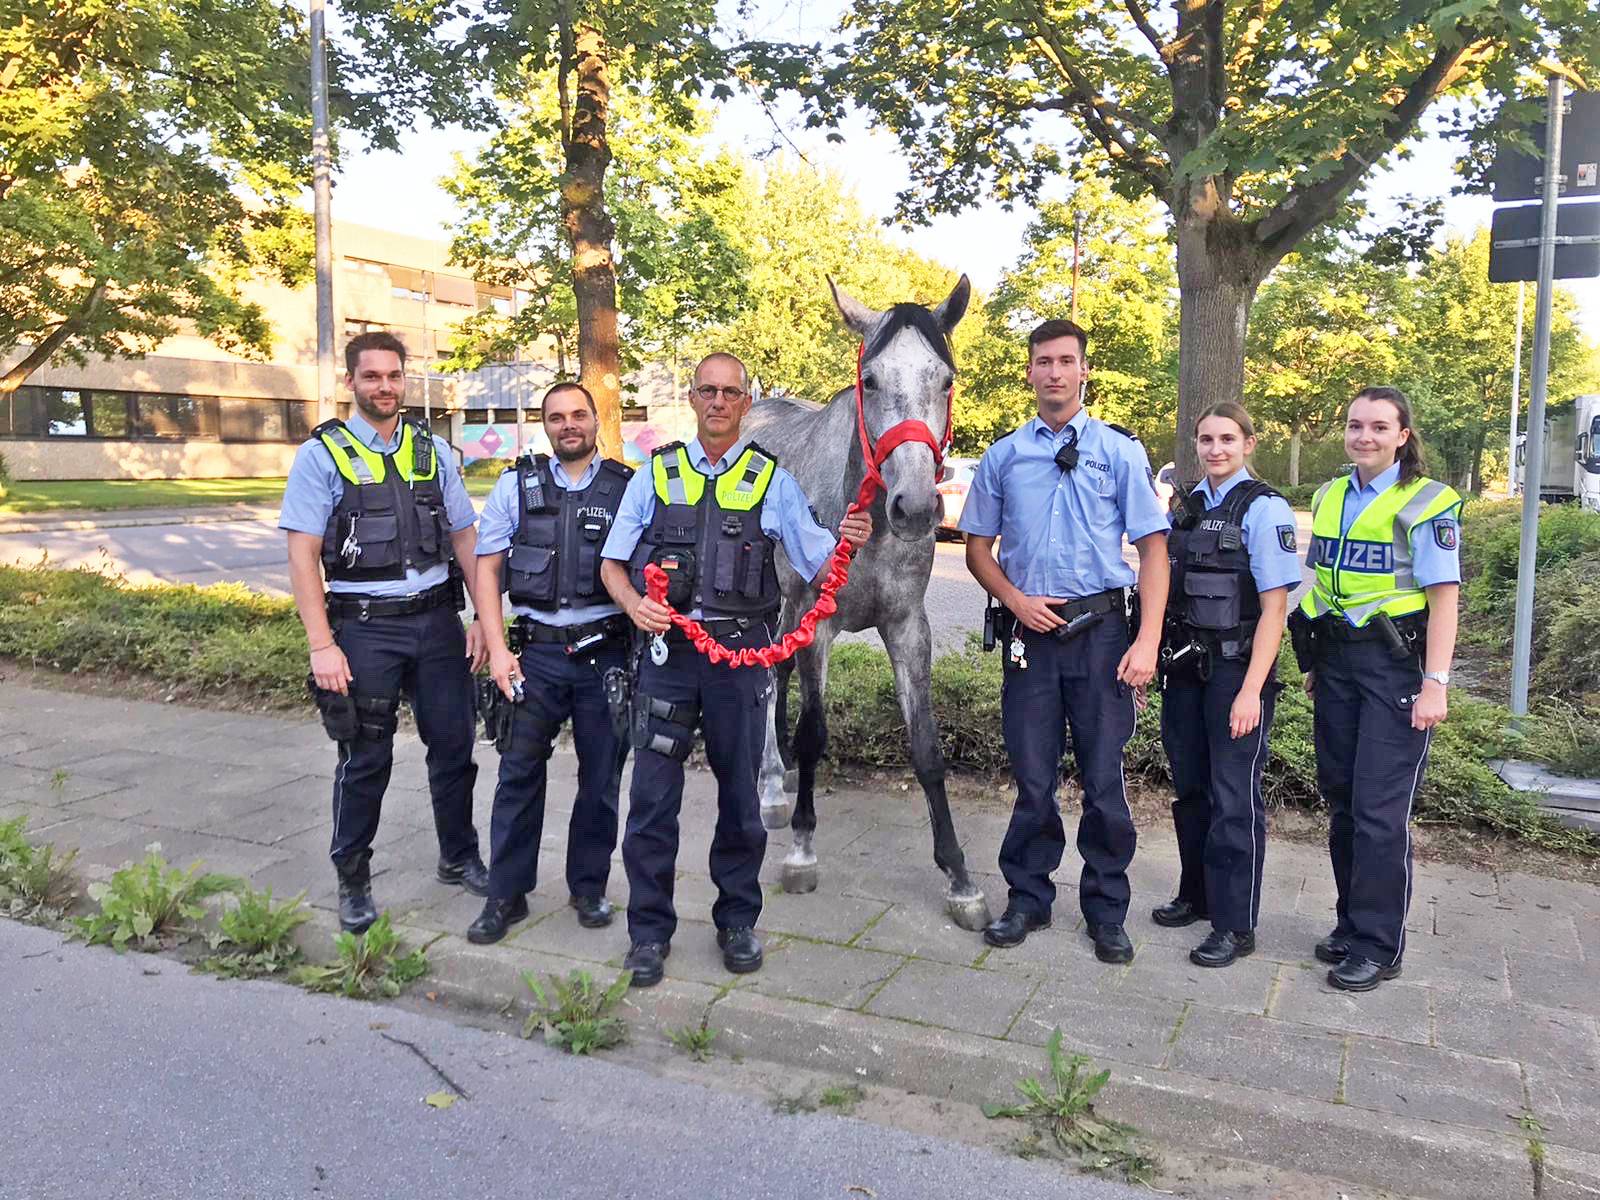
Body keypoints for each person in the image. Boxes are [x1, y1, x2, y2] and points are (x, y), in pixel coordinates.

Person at [599, 352, 873, 988]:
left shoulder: (770, 481)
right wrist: (633, 603)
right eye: (708, 391)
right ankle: (648, 933)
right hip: (668, 662)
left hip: (742, 665)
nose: (719, 402)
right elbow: (613, 563)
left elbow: (820, 565)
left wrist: (850, 539)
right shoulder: (655, 475)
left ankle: (737, 922)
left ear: (746, 404)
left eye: (731, 393)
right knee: (650, 804)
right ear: (692, 398)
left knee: (741, 805)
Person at [959, 318, 1170, 964]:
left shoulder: (1119, 452)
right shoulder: (1003, 457)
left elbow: (1154, 551)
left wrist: (1148, 643)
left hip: (1103, 636)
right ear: (1029, 373)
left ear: (1084, 371)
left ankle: (1107, 910)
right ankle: (1027, 898)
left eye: (1065, 361)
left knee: (1105, 779)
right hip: (1031, 635)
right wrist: (1014, 598)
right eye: (1043, 361)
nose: (1053, 372)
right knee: (1032, 776)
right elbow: (976, 548)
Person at [281, 331, 489, 934]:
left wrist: (481, 617)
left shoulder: (433, 451)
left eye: (393, 376)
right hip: (363, 630)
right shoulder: (321, 456)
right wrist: (322, 645)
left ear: (405, 379)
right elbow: (303, 557)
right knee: (366, 758)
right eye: (371, 376)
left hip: (436, 624)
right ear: (352, 382)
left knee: (454, 748)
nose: (384, 387)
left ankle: (459, 856)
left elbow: (464, 538)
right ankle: (353, 876)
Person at [1294, 386, 1460, 993]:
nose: (1364, 436)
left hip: (1396, 668)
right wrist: (1314, 659)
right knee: (1341, 801)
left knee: (1378, 813)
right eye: (1355, 424)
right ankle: (1349, 923)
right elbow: (1327, 587)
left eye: (1378, 427)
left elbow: (1444, 599)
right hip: (1337, 663)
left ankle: (1379, 943)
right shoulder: (1330, 494)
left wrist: (1435, 684)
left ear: (1402, 435)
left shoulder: (1426, 501)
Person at [465, 383, 635, 944]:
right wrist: (497, 648)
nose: (569, 425)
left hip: (604, 655)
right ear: (545, 426)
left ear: (595, 422)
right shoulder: (517, 486)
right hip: (534, 655)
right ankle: (505, 895)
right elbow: (487, 570)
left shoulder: (625, 489)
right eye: (557, 417)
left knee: (601, 780)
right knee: (516, 775)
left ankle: (588, 889)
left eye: (579, 415)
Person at [1153, 402, 1300, 968]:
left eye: (1227, 439)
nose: (1216, 449)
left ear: (1248, 443)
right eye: (1206, 439)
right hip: (1187, 668)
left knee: (1233, 800)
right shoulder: (1187, 509)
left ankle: (1235, 925)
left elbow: (1274, 610)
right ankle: (1197, 895)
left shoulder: (1264, 509)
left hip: (1239, 673)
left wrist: (1251, 691)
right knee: (1191, 790)